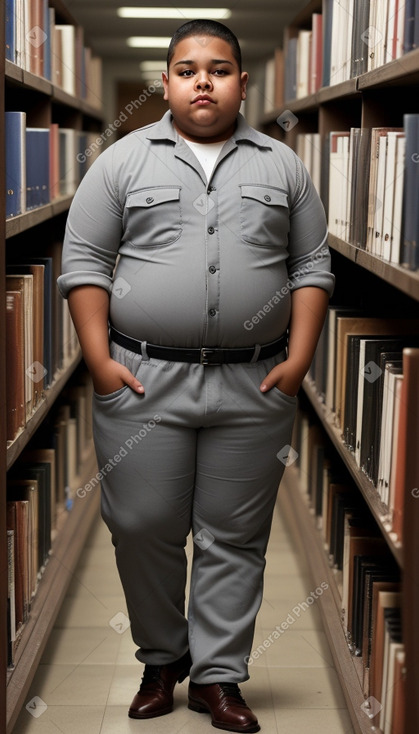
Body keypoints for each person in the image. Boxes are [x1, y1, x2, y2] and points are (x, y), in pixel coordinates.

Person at [58, 19, 335, 734]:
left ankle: (218, 677)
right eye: (186, 69)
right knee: (142, 524)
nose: (202, 80)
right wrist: (99, 361)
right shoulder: (120, 162)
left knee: (232, 536)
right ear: (168, 83)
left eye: (218, 68)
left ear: (243, 82)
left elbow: (310, 269)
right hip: (144, 378)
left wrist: (297, 358)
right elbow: (84, 263)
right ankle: (161, 659)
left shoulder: (282, 166)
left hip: (253, 385)